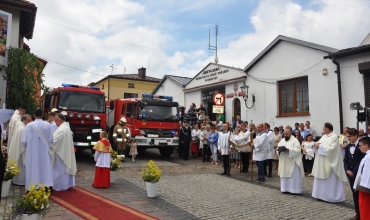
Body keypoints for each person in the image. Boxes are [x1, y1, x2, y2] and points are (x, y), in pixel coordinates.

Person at [308, 122, 347, 203]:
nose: (322, 129)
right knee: (320, 178)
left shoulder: (334, 137)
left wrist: (320, 146)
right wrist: (315, 144)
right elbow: (319, 144)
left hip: (329, 162)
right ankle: (321, 195)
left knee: (329, 179)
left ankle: (330, 196)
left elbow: (331, 149)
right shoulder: (324, 136)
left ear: (328, 128)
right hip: (321, 161)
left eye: (323, 127)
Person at [21, 109, 53, 190]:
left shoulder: (29, 126)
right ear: (42, 115)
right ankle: (45, 186)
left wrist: (29, 149)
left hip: (33, 152)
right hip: (44, 151)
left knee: (33, 168)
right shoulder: (48, 125)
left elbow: (24, 141)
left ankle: (32, 186)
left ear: (34, 115)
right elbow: (51, 139)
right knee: (45, 168)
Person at [50, 114, 77, 191]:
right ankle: (66, 184)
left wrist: (48, 142)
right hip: (63, 151)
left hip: (60, 153)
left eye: (56, 120)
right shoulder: (66, 128)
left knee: (60, 169)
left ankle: (60, 186)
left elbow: (55, 141)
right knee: (64, 169)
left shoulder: (62, 129)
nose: (55, 122)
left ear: (60, 120)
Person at [343, 128, 365, 220]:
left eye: (349, 136)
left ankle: (364, 213)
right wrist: (347, 170)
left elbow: (362, 160)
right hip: (350, 173)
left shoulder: (362, 146)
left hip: (359, 173)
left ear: (356, 136)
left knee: (362, 194)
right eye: (347, 136)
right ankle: (357, 213)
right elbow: (346, 160)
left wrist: (354, 171)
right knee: (354, 193)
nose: (348, 138)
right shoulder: (348, 146)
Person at [8, 114, 32, 185]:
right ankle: (21, 181)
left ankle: (18, 180)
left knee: (20, 165)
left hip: (18, 150)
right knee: (22, 166)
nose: (30, 122)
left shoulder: (20, 127)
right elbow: (24, 142)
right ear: (24, 120)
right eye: (28, 120)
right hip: (21, 151)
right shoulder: (23, 129)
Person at [278, 129, 304, 194]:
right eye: (284, 134)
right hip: (284, 160)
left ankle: (294, 190)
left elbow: (298, 149)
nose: (285, 135)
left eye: (287, 134)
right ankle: (285, 189)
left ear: (290, 133)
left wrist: (288, 150)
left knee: (293, 175)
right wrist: (278, 149)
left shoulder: (295, 140)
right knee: (284, 173)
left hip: (292, 161)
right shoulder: (282, 140)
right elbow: (278, 147)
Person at [353, 137, 370, 219]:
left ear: (366, 145)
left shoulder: (368, 158)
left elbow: (367, 173)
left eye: (360, 145)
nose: (359, 147)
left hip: (365, 189)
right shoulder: (367, 156)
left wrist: (364, 186)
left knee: (365, 208)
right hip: (364, 187)